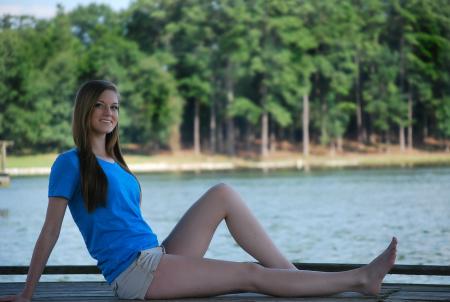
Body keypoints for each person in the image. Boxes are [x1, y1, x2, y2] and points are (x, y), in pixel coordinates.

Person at [0, 80, 397, 302]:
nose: (109, 113)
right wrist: (27, 294)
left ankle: (293, 279)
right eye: (101, 105)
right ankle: (360, 279)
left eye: (116, 107)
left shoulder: (117, 163)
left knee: (223, 192)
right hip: (133, 274)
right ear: (84, 110)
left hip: (156, 256)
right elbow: (50, 232)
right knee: (248, 275)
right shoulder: (68, 163)